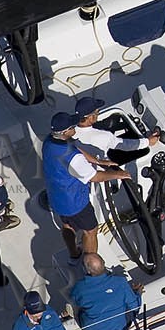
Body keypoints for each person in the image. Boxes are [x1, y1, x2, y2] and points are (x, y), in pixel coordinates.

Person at [42, 112, 131, 261]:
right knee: (90, 230)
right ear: (65, 132)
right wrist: (118, 175)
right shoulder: (71, 158)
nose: (75, 127)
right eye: (72, 126)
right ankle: (90, 265)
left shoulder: (49, 141)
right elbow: (95, 177)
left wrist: (99, 162)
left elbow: (76, 149)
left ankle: (74, 253)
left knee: (67, 225)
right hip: (75, 202)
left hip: (57, 197)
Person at [69, 254, 143, 330]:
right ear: (104, 263)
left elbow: (74, 301)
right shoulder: (120, 281)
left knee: (77, 308)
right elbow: (135, 307)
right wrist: (137, 293)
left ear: (86, 270)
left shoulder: (79, 288)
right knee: (127, 304)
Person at [72, 96, 159, 167]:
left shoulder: (70, 131)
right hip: (103, 165)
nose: (98, 114)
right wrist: (148, 142)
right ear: (90, 117)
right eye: (97, 112)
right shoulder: (103, 136)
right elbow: (124, 145)